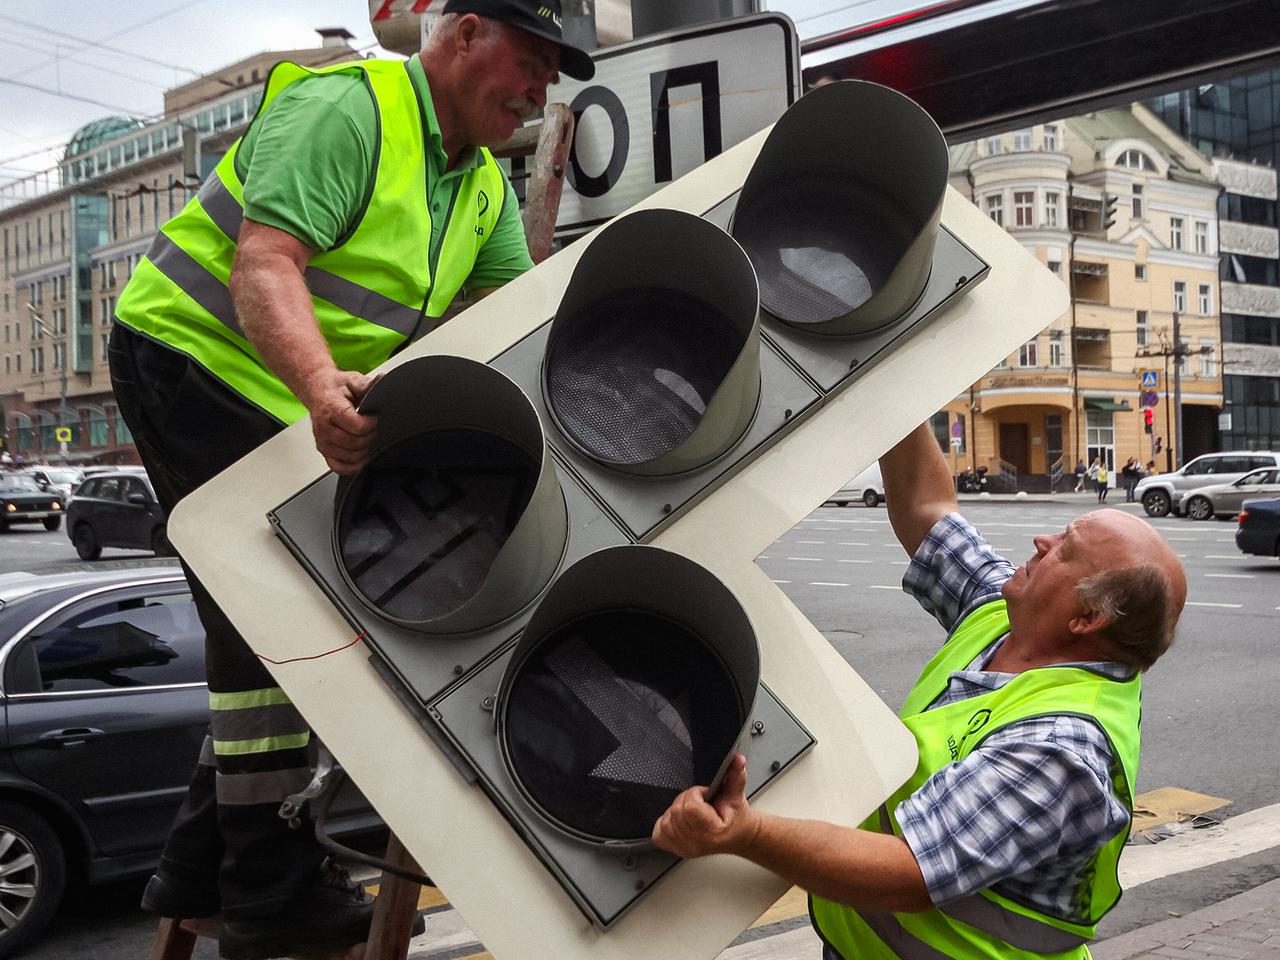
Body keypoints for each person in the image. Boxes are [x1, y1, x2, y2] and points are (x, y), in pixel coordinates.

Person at [107, 3, 593, 957]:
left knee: (286, 618)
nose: (540, 92)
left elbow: (508, 321)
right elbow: (265, 262)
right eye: (528, 66)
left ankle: (199, 870)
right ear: (459, 38)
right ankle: (266, 887)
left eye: (550, 76)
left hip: (280, 399)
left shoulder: (481, 187)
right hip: (193, 359)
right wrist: (324, 390)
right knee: (276, 617)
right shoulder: (353, 108)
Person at [651, 421, 1186, 960]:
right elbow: (929, 508)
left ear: (1087, 618)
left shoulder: (1063, 751)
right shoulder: (1005, 616)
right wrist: (889, 402)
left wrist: (744, 834)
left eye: (1064, 551)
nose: (1041, 542)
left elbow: (909, 871)